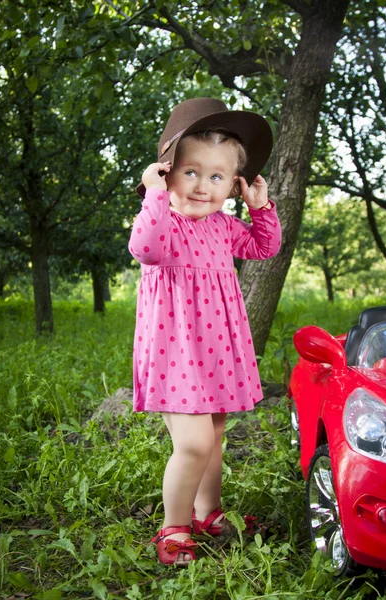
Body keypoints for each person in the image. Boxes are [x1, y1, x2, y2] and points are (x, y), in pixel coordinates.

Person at [128, 98, 282, 566]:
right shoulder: (162, 222)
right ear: (166, 172)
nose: (201, 186)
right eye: (190, 172)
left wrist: (261, 208)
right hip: (175, 353)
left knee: (214, 440)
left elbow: (264, 247)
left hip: (217, 351)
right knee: (193, 444)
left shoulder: (224, 226)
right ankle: (173, 528)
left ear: (233, 186)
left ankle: (207, 512)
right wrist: (152, 194)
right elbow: (146, 249)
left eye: (216, 176)